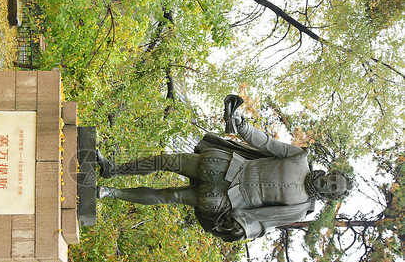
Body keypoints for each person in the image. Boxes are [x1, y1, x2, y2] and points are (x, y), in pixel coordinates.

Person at [96, 95, 354, 242]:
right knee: (168, 160)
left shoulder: (300, 208)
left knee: (170, 196)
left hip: (224, 201)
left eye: (333, 189)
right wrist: (241, 126)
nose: (329, 184)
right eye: (333, 180)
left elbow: (265, 222)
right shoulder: (299, 157)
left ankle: (112, 193)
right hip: (226, 167)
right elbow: (266, 143)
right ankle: (112, 170)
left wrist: (245, 229)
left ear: (330, 197)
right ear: (330, 172)